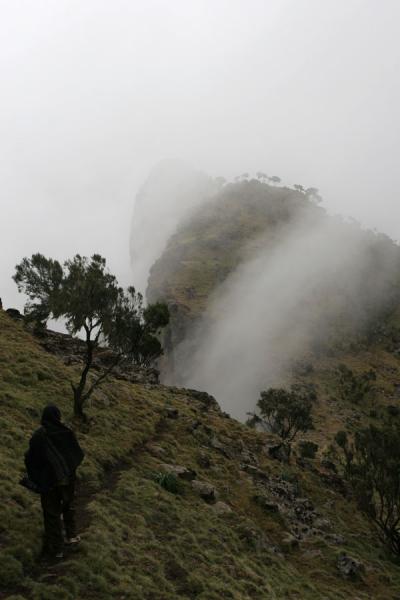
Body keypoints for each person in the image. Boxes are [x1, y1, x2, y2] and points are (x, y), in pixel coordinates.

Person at [25, 404, 84, 559]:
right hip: (68, 480)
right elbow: (76, 454)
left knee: (51, 514)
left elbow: (31, 459)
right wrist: (69, 469)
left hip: (48, 482)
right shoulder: (66, 432)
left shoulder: (39, 436)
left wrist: (36, 477)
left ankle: (56, 549)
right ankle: (71, 537)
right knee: (68, 506)